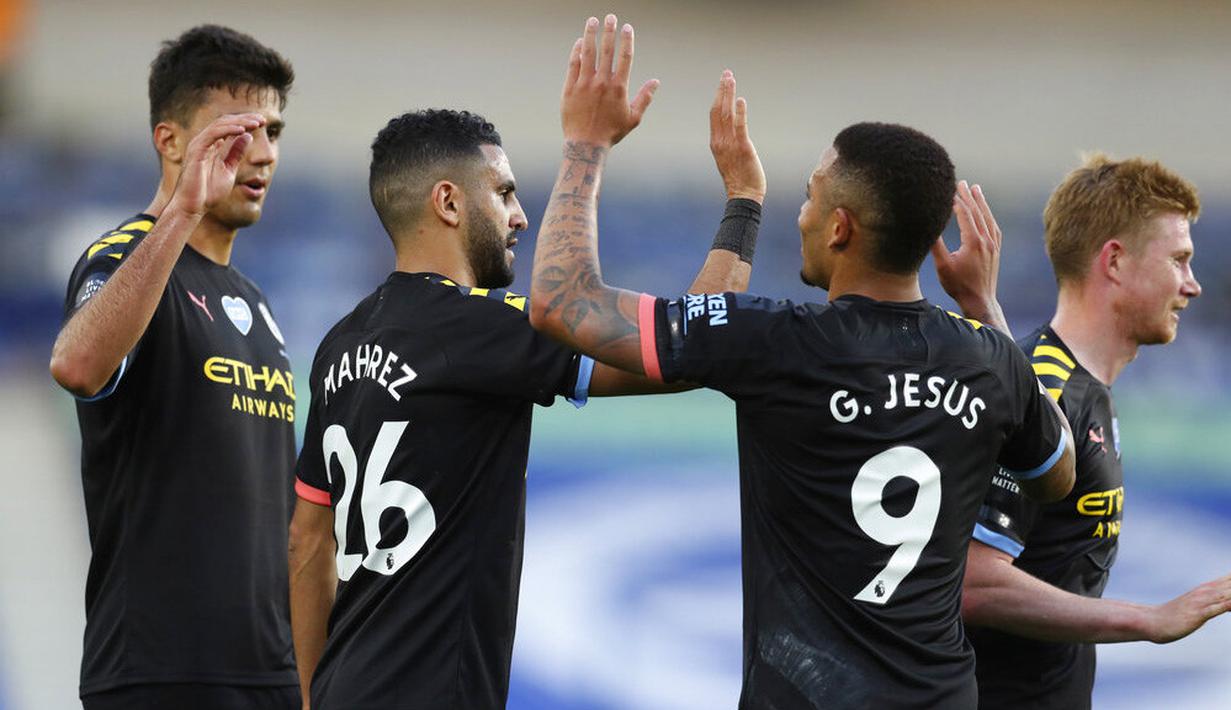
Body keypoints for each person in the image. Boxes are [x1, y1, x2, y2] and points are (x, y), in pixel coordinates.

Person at [529, 15, 1077, 709]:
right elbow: (1056, 473)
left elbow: (560, 302)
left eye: (813, 196)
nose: (803, 214)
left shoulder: (774, 342)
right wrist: (984, 308)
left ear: (842, 226)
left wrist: (585, 143)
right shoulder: (989, 360)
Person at [287, 74, 766, 709]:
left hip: (346, 687)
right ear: (450, 203)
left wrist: (314, 696)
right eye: (506, 193)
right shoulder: (484, 329)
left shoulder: (338, 345)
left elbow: (307, 540)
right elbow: (688, 349)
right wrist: (743, 203)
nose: (520, 216)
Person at [48, 25, 299, 710]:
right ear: (170, 142)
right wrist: (183, 209)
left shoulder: (255, 303)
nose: (263, 154)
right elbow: (75, 363)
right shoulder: (125, 258)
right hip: (160, 676)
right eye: (235, 134)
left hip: (269, 678)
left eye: (273, 131)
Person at [961, 155, 1231, 709]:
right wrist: (1149, 619)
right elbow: (976, 583)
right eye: (1179, 260)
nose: (1193, 285)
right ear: (1114, 261)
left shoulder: (1083, 390)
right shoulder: (1044, 389)